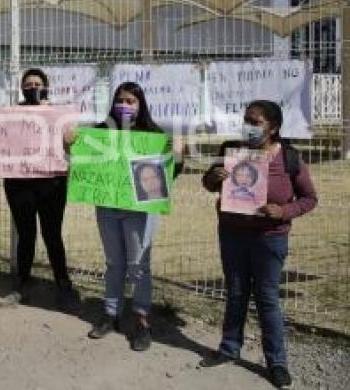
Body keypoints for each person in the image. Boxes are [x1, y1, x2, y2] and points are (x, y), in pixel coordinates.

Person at [200, 100, 317, 390]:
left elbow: (309, 198)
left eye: (256, 122)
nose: (248, 126)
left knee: (267, 299)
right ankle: (229, 348)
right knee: (236, 293)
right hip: (232, 234)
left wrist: (283, 211)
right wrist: (214, 178)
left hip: (270, 239)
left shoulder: (289, 157)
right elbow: (208, 184)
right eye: (246, 120)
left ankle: (276, 363)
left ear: (273, 127)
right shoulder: (232, 150)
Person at [73, 81, 183, 351]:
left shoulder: (153, 134)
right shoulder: (100, 133)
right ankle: (111, 313)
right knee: (113, 263)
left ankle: (141, 319)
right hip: (108, 209)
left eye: (131, 102)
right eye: (120, 101)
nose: (125, 106)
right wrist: (69, 145)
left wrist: (177, 158)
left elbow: (167, 175)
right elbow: (82, 163)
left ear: (141, 105)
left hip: (139, 212)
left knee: (139, 266)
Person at [0, 68, 79, 309]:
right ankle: (21, 284)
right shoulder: (11, 114)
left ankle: (63, 283)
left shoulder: (58, 115)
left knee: (52, 234)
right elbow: (1, 142)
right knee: (26, 235)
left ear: (45, 87)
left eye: (38, 83)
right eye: (28, 83)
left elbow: (70, 146)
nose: (33, 87)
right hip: (19, 183)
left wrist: (70, 140)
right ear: (22, 88)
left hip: (51, 183)